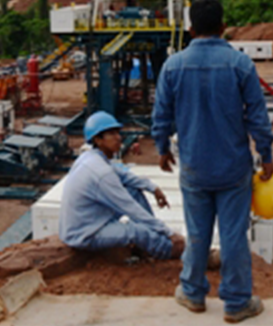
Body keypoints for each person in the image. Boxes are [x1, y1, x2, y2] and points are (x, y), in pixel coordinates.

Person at [152, 0, 273, 323]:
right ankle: (237, 303)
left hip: (194, 168)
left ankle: (193, 293)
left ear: (190, 30)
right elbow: (258, 117)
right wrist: (266, 155)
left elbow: (161, 114)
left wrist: (162, 148)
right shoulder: (240, 65)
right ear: (223, 27)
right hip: (233, 168)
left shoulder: (173, 66)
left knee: (197, 232)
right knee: (233, 236)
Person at [59, 111, 185, 260]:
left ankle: (153, 239)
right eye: (111, 134)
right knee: (135, 231)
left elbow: (124, 176)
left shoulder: (90, 158)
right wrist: (169, 233)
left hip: (90, 219)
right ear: (98, 140)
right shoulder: (101, 173)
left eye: (117, 132)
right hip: (84, 234)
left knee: (133, 191)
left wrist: (153, 188)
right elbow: (130, 207)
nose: (118, 137)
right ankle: (170, 250)